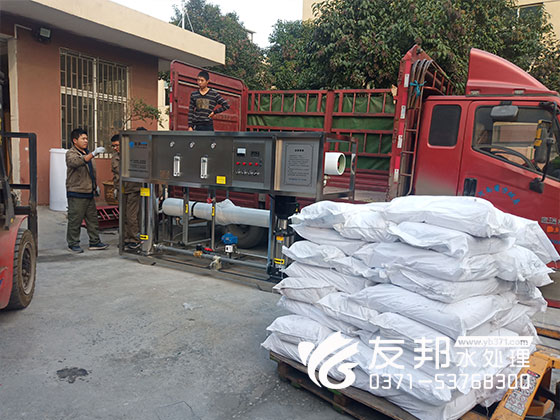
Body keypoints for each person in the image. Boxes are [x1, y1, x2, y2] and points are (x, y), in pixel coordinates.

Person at [66, 128, 108, 253]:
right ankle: (73, 243)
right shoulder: (71, 153)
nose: (86, 141)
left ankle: (95, 242)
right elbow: (75, 162)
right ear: (75, 140)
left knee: (93, 219)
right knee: (75, 219)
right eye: (83, 138)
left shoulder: (87, 152)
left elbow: (91, 172)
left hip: (89, 192)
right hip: (77, 192)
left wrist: (95, 186)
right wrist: (93, 154)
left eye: (86, 139)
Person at [111, 134, 141, 249]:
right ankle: (125, 238)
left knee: (131, 216)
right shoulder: (115, 157)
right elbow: (116, 173)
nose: (115, 148)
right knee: (123, 215)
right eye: (113, 146)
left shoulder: (132, 155)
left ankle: (134, 239)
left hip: (133, 189)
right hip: (121, 189)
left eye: (117, 145)